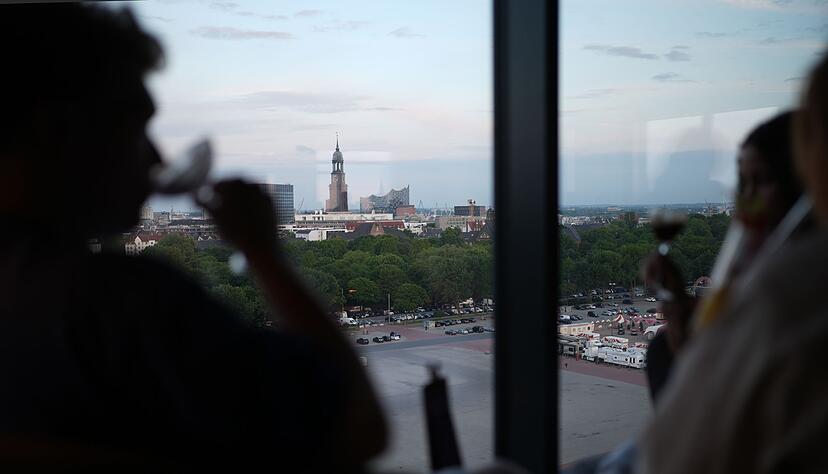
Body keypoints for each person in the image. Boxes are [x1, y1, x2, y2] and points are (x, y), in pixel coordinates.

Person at [0, 4, 386, 471]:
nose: (156, 155)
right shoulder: (124, 303)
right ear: (58, 132)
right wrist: (264, 253)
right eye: (135, 125)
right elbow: (357, 427)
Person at [636, 51, 828, 473]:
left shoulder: (787, 288)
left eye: (760, 181)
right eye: (742, 182)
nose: (745, 201)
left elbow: (674, 453)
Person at [642, 110, 805, 402]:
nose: (749, 196)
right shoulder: (758, 250)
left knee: (660, 351)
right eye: (744, 183)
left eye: (762, 180)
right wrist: (679, 303)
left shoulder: (794, 270)